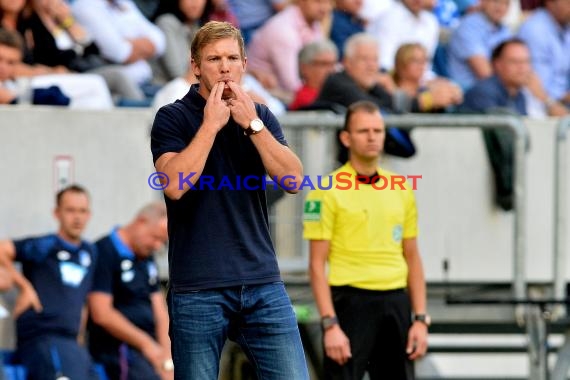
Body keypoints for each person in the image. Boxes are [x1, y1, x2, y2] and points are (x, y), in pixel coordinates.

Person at [150, 21, 309, 379]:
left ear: (244, 64)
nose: (224, 67)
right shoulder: (172, 117)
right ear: (195, 66)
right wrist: (210, 126)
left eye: (232, 58)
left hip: (262, 281)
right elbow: (175, 185)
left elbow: (295, 179)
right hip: (197, 288)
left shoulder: (260, 116)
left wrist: (252, 125)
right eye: (214, 58)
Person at [303, 100, 429, 380]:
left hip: (396, 300)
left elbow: (412, 256)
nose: (372, 137)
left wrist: (420, 318)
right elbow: (315, 264)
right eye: (363, 131)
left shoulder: (401, 188)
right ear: (346, 137)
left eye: (378, 130)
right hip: (350, 302)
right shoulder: (325, 191)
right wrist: (330, 324)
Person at [0, 185, 99, 380]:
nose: (77, 217)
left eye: (82, 211)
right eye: (70, 210)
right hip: (42, 336)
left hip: (72, 343)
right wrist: (25, 287)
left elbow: (83, 300)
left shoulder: (90, 252)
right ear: (57, 213)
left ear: (89, 214)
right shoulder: (45, 245)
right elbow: (3, 249)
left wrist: (79, 339)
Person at [87, 201, 171, 380]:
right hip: (119, 346)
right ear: (141, 222)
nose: (157, 246)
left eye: (162, 242)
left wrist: (167, 359)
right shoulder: (104, 251)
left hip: (151, 348)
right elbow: (101, 313)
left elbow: (160, 312)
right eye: (155, 237)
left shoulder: (147, 258)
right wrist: (147, 345)